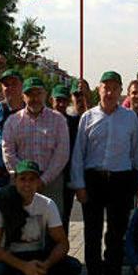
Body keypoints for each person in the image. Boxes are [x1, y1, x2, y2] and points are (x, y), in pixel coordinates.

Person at [69, 71, 138, 275]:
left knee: (115, 235)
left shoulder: (130, 117)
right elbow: (78, 155)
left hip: (121, 181)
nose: (110, 92)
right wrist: (79, 185)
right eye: (106, 87)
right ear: (98, 89)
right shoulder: (88, 117)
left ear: (120, 90)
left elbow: (137, 152)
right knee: (91, 234)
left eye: (114, 88)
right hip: (93, 180)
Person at [0, 160, 81, 275]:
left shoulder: (47, 204)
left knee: (72, 266)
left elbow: (62, 243)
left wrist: (46, 264)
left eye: (32, 179)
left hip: (36, 257)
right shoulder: (2, 202)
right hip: (9, 259)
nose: (27, 184)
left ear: (38, 182)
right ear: (15, 180)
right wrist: (23, 267)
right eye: (23, 179)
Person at [2, 77, 70, 215]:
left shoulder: (58, 120)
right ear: (23, 97)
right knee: (20, 226)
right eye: (30, 94)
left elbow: (62, 153)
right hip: (21, 184)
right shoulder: (13, 121)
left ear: (45, 94)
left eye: (38, 93)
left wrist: (43, 180)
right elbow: (8, 152)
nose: (35, 98)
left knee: (52, 227)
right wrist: (26, 179)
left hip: (51, 181)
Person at [50, 84, 79, 230]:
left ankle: (62, 249)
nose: (61, 104)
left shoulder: (74, 123)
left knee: (64, 216)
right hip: (48, 177)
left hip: (67, 177)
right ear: (52, 101)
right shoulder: (44, 121)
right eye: (58, 100)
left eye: (64, 100)